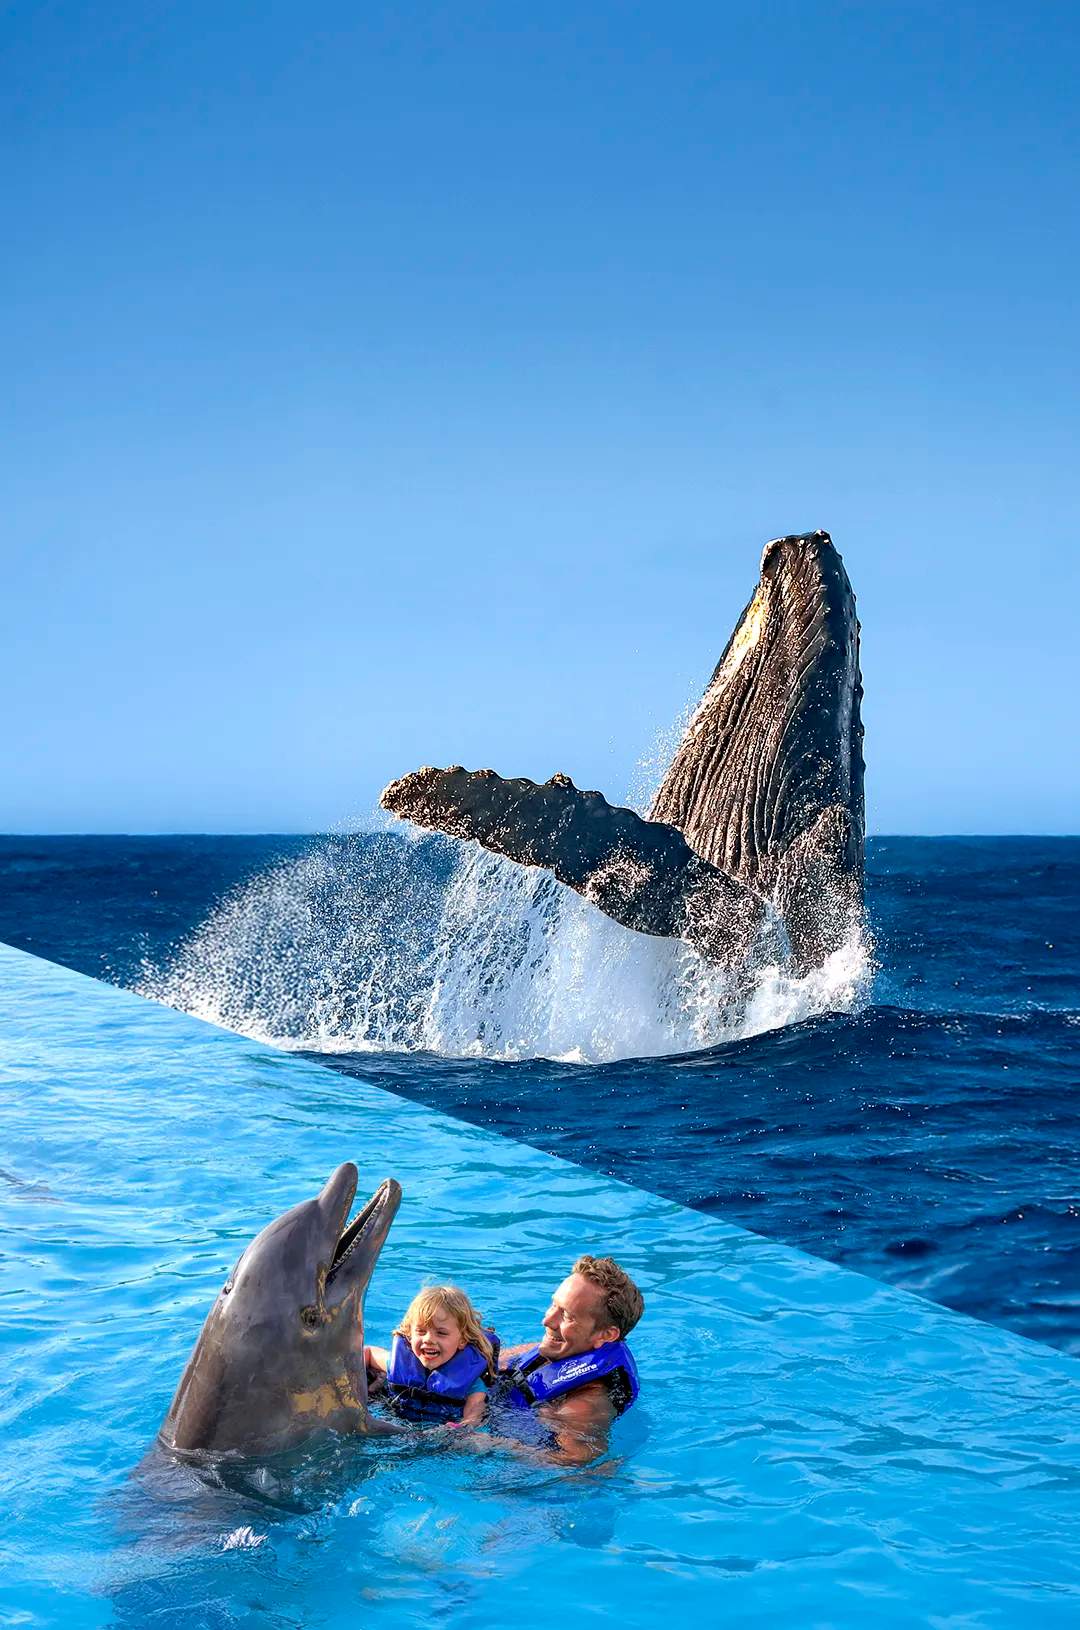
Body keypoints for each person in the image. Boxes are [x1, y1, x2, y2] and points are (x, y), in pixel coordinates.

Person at [497, 1255, 644, 1464]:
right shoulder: (559, 1348)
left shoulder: (581, 1408)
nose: (547, 1320)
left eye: (567, 1316)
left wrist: (489, 1444)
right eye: (553, 1304)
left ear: (605, 1335)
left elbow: (576, 1469)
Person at [365, 1285, 496, 1427]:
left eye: (441, 1333)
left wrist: (463, 1427)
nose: (428, 1339)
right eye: (421, 1331)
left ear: (462, 1340)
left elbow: (475, 1411)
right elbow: (368, 1352)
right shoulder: (399, 1364)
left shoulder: (473, 1383)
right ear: (410, 1334)